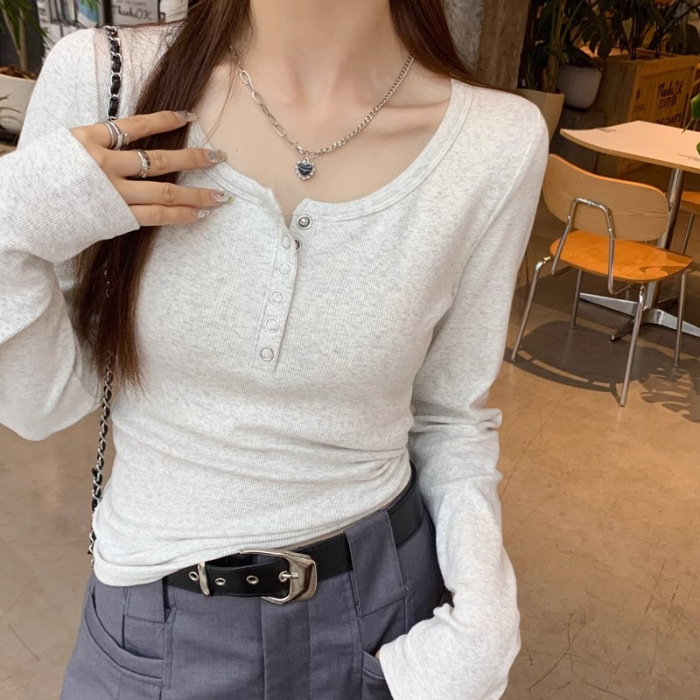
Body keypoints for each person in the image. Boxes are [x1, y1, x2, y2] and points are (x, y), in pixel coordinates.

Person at [0, 1, 548, 698]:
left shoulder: (496, 142)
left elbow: (449, 413)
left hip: (382, 614)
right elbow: (41, 406)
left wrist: (486, 609)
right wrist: (7, 222)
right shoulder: (106, 79)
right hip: (153, 620)